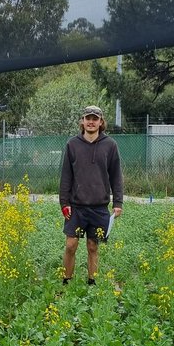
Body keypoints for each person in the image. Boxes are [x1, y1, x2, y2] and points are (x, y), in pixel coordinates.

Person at [59, 107, 123, 285]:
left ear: (101, 122)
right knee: (71, 245)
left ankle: (92, 283)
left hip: (99, 207)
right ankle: (67, 281)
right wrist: (64, 202)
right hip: (76, 206)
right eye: (88, 118)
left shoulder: (110, 145)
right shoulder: (72, 144)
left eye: (95, 119)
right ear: (82, 121)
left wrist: (118, 202)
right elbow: (66, 176)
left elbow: (116, 175)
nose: (91, 122)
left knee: (93, 246)